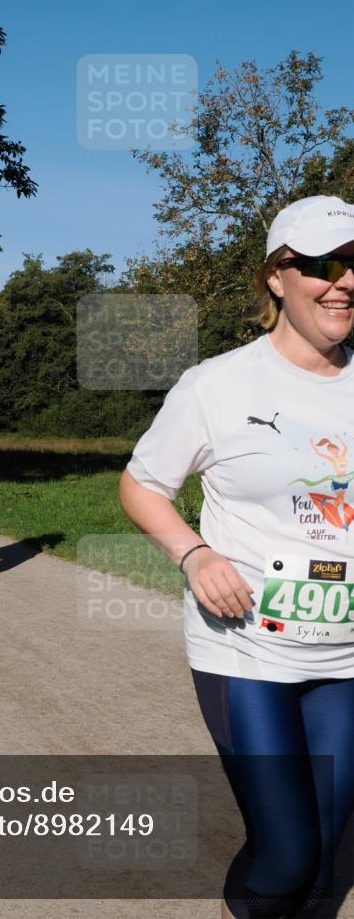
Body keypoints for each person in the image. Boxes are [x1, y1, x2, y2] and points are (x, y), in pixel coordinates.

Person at [119, 194, 354, 919]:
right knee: (286, 855)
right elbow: (142, 485)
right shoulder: (217, 385)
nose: (343, 281)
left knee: (324, 845)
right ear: (277, 277)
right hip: (246, 646)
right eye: (321, 264)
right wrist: (193, 555)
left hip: (347, 654)